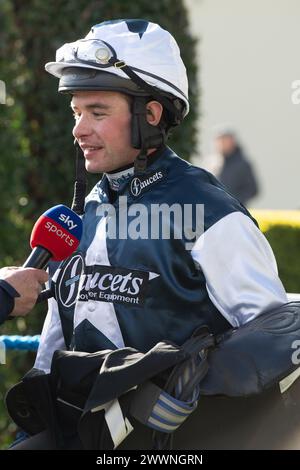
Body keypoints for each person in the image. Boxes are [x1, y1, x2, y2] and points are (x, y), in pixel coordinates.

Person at [9, 19, 288, 450]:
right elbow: (55, 341)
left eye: (97, 112)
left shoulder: (207, 209)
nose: (78, 129)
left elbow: (275, 350)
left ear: (151, 115)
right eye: (76, 112)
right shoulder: (85, 211)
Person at [203, 127, 259, 206]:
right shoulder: (211, 162)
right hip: (214, 209)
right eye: (219, 140)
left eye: (224, 140)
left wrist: (235, 201)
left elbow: (253, 189)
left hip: (236, 211)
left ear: (232, 142)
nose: (221, 143)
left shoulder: (242, 163)